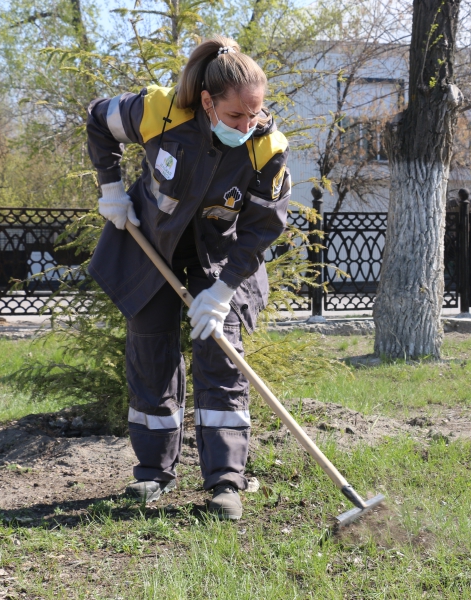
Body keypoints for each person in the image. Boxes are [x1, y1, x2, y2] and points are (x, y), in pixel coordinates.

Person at [85, 36, 291, 520]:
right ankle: (153, 473)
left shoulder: (267, 147)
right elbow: (98, 119)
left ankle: (226, 482)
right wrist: (111, 188)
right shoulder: (159, 111)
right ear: (207, 101)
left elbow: (262, 227)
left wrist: (222, 292)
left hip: (220, 258)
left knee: (221, 356)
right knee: (150, 357)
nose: (247, 125)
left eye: (255, 113)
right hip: (151, 248)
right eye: (235, 115)